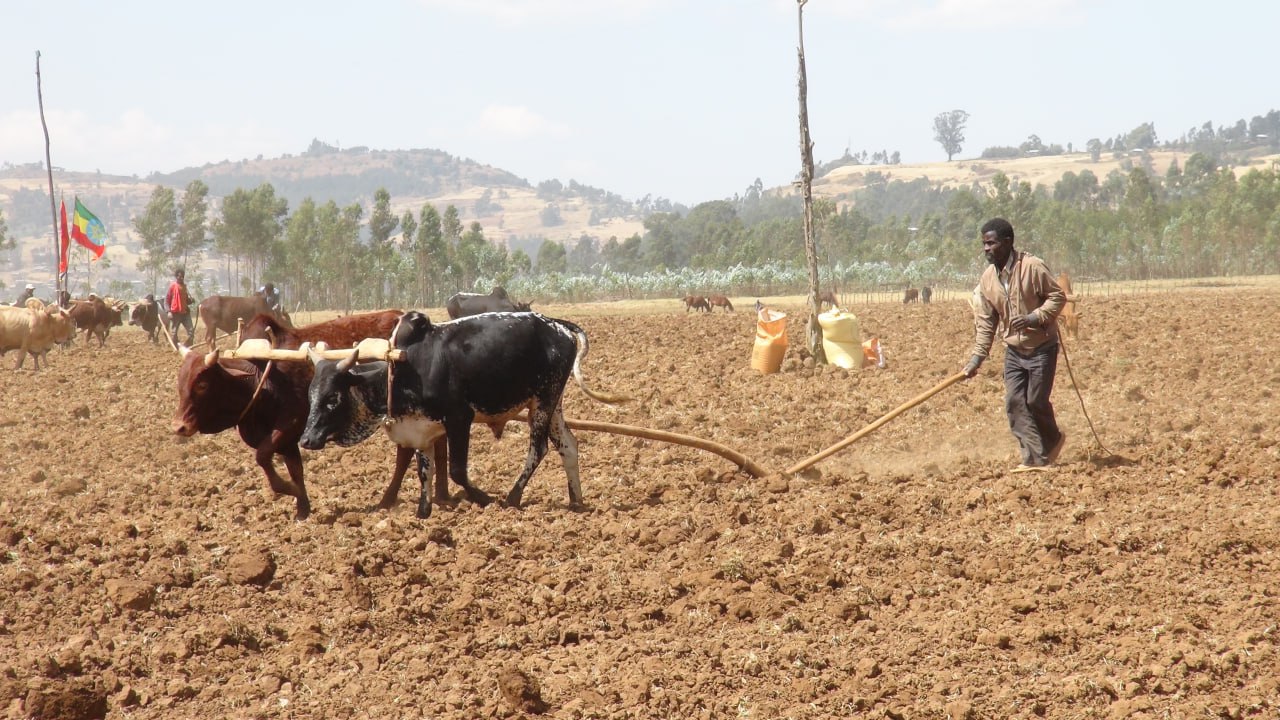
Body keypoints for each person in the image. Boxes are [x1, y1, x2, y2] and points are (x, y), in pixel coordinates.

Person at [962, 218, 1068, 472]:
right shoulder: (988, 279)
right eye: (984, 244)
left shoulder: (1032, 267)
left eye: (991, 243)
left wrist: (1034, 318)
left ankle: (1051, 440)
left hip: (1042, 346)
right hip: (1014, 351)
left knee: (1035, 401)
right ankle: (1034, 458)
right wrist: (977, 358)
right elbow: (986, 323)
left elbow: (1057, 297)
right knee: (1014, 402)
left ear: (1008, 242)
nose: (986, 249)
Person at [165, 269, 196, 344]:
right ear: (176, 277)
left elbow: (186, 301)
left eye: (182, 276)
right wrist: (168, 311)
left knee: (191, 332)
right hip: (175, 313)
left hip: (185, 312)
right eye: (179, 276)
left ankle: (187, 346)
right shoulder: (173, 286)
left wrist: (191, 300)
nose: (180, 278)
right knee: (174, 334)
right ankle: (176, 346)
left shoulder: (185, 287)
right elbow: (167, 300)